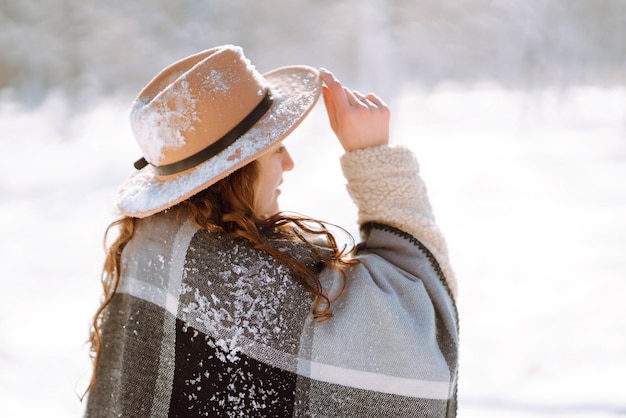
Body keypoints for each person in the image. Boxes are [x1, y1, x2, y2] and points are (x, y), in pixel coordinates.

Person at [84, 45, 459, 417]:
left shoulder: (147, 250)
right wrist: (375, 162)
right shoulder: (262, 285)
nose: (290, 162)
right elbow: (415, 325)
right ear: (238, 168)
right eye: (277, 149)